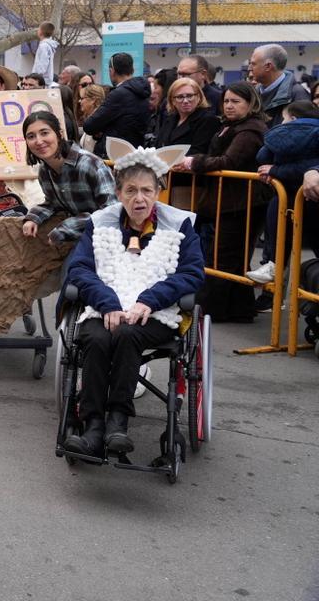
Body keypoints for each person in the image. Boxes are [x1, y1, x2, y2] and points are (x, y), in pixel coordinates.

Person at [60, 141, 204, 458]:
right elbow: (80, 269)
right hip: (104, 311)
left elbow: (192, 274)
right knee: (96, 339)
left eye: (146, 191)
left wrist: (149, 300)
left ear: (158, 191)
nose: (139, 198)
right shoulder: (101, 223)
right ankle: (93, 428)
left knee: (127, 334)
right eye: (130, 190)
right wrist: (106, 301)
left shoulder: (179, 225)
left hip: (155, 315)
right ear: (119, 192)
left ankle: (117, 423)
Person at [177, 82, 269, 322]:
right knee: (229, 258)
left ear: (250, 104)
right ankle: (239, 309)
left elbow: (228, 161)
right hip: (230, 201)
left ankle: (211, 309)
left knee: (223, 257)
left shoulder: (250, 130)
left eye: (235, 101)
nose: (228, 105)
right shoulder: (231, 127)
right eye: (226, 101)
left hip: (240, 203)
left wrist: (195, 162)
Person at [246, 101, 319, 285]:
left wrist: (276, 170)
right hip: (312, 197)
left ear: (292, 118)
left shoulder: (276, 135)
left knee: (278, 237)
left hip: (285, 198)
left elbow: (262, 158)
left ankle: (273, 264)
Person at [19, 112, 116, 245]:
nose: (39, 141)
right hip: (81, 240)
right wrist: (33, 218)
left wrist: (66, 227)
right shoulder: (44, 171)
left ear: (60, 134)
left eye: (44, 133)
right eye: (31, 136)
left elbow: (112, 211)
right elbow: (53, 203)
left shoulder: (90, 165)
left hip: (108, 239)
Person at [81, 52, 150, 157]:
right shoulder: (143, 93)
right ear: (132, 70)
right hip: (135, 153)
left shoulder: (119, 94)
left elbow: (89, 126)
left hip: (115, 156)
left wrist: (102, 128)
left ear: (112, 71)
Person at [248, 44, 310, 127]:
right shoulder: (253, 93)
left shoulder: (297, 94)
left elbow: (303, 131)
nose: (249, 68)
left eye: (253, 64)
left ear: (268, 66)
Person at [153, 77, 221, 155]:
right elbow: (158, 146)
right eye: (180, 97)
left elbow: (198, 152)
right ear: (173, 101)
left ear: (198, 97)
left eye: (189, 96)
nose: (185, 101)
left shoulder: (208, 120)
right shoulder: (170, 118)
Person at [32, 21, 58, 87]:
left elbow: (42, 65)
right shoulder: (48, 46)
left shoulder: (44, 46)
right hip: (45, 80)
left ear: (41, 32)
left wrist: (35, 77)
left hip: (41, 81)